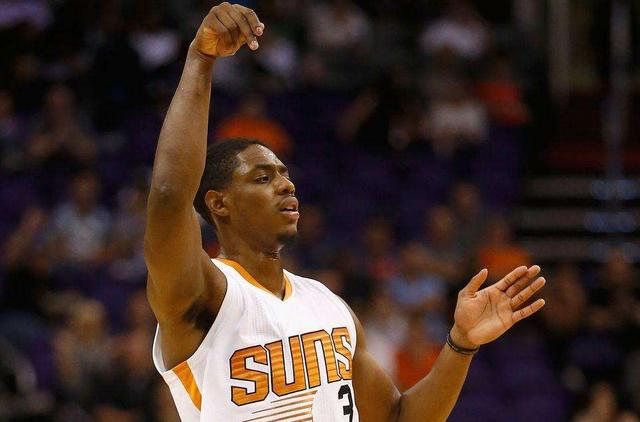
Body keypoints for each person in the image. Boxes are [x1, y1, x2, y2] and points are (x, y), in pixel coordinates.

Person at [144, 3, 546, 421]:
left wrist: (461, 343)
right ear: (218, 203)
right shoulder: (205, 294)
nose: (286, 184)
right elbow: (170, 195)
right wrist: (201, 61)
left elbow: (398, 418)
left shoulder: (328, 305)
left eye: (285, 174)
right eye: (262, 178)